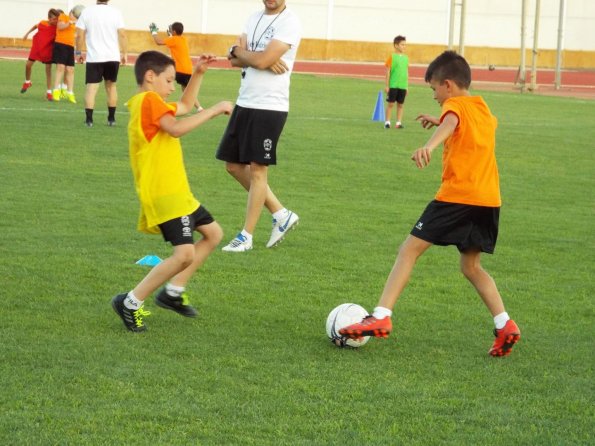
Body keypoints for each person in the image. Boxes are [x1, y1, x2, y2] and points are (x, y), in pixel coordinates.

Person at [340, 51, 521, 357]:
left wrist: (429, 145)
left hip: (458, 197)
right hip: (488, 200)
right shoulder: (482, 107)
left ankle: (382, 314)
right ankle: (505, 325)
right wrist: (439, 122)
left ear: (448, 85)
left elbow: (451, 119)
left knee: (409, 250)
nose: (435, 96)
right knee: (471, 266)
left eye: (434, 89)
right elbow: (463, 125)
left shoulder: (452, 107)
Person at [111, 50, 233, 332]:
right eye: (168, 80)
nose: (170, 86)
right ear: (150, 76)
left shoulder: (152, 102)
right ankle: (130, 301)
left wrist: (198, 73)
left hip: (178, 192)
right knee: (184, 255)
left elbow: (186, 105)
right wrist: (214, 110)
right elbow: (176, 128)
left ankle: (173, 291)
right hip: (165, 194)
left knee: (213, 234)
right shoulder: (148, 100)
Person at [217, 0, 301, 252]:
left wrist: (245, 54)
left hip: (270, 106)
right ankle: (280, 213)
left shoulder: (289, 21)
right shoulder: (253, 18)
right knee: (233, 165)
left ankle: (246, 236)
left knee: (257, 171)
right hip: (245, 101)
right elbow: (234, 60)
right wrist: (249, 55)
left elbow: (260, 60)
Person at [75, 0, 127, 127]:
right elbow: (123, 34)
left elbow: (79, 35)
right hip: (112, 56)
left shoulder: (86, 12)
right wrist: (124, 54)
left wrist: (78, 53)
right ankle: (111, 119)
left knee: (91, 89)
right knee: (111, 87)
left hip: (95, 57)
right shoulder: (116, 12)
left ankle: (89, 120)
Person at [149, 21, 203, 111]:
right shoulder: (182, 39)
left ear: (174, 32)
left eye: (171, 30)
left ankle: (160, 103)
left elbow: (158, 42)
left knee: (162, 81)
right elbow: (174, 43)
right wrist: (170, 35)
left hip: (179, 69)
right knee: (187, 91)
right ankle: (200, 109)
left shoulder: (173, 40)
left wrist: (154, 32)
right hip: (188, 70)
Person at [21, 8, 60, 101]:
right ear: (49, 19)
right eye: (54, 19)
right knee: (28, 65)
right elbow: (35, 26)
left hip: (48, 50)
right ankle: (27, 82)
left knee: (48, 70)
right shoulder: (42, 23)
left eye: (57, 19)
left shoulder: (58, 27)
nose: (56, 21)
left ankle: (49, 92)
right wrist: (27, 34)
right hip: (37, 47)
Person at [51, 7, 82, 103]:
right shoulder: (63, 16)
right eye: (74, 14)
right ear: (71, 12)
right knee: (60, 67)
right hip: (61, 44)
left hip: (70, 46)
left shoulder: (77, 23)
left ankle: (70, 92)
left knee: (70, 69)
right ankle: (56, 91)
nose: (74, 17)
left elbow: (77, 36)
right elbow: (60, 26)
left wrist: (78, 53)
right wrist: (70, 23)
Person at [384, 35, 408, 129]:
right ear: (396, 45)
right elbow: (388, 72)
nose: (404, 46)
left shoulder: (406, 58)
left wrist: (406, 86)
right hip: (393, 84)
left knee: (400, 105)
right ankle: (387, 122)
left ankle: (398, 123)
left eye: (405, 45)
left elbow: (406, 72)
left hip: (402, 85)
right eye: (402, 44)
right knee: (391, 104)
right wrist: (387, 85)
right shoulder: (392, 57)